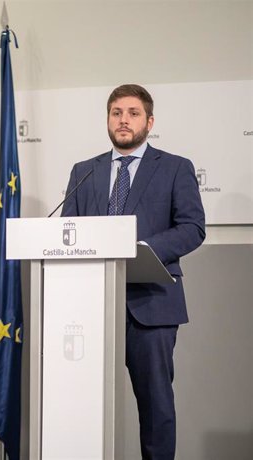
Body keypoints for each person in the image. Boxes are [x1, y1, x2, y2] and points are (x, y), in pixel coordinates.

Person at [61, 84, 206, 460]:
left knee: (156, 408)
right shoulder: (83, 172)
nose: (123, 120)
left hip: (151, 307)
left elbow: (192, 227)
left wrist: (140, 251)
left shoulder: (175, 168)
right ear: (108, 119)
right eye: (116, 113)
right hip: (90, 310)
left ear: (149, 121)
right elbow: (69, 232)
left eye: (133, 113)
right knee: (82, 407)